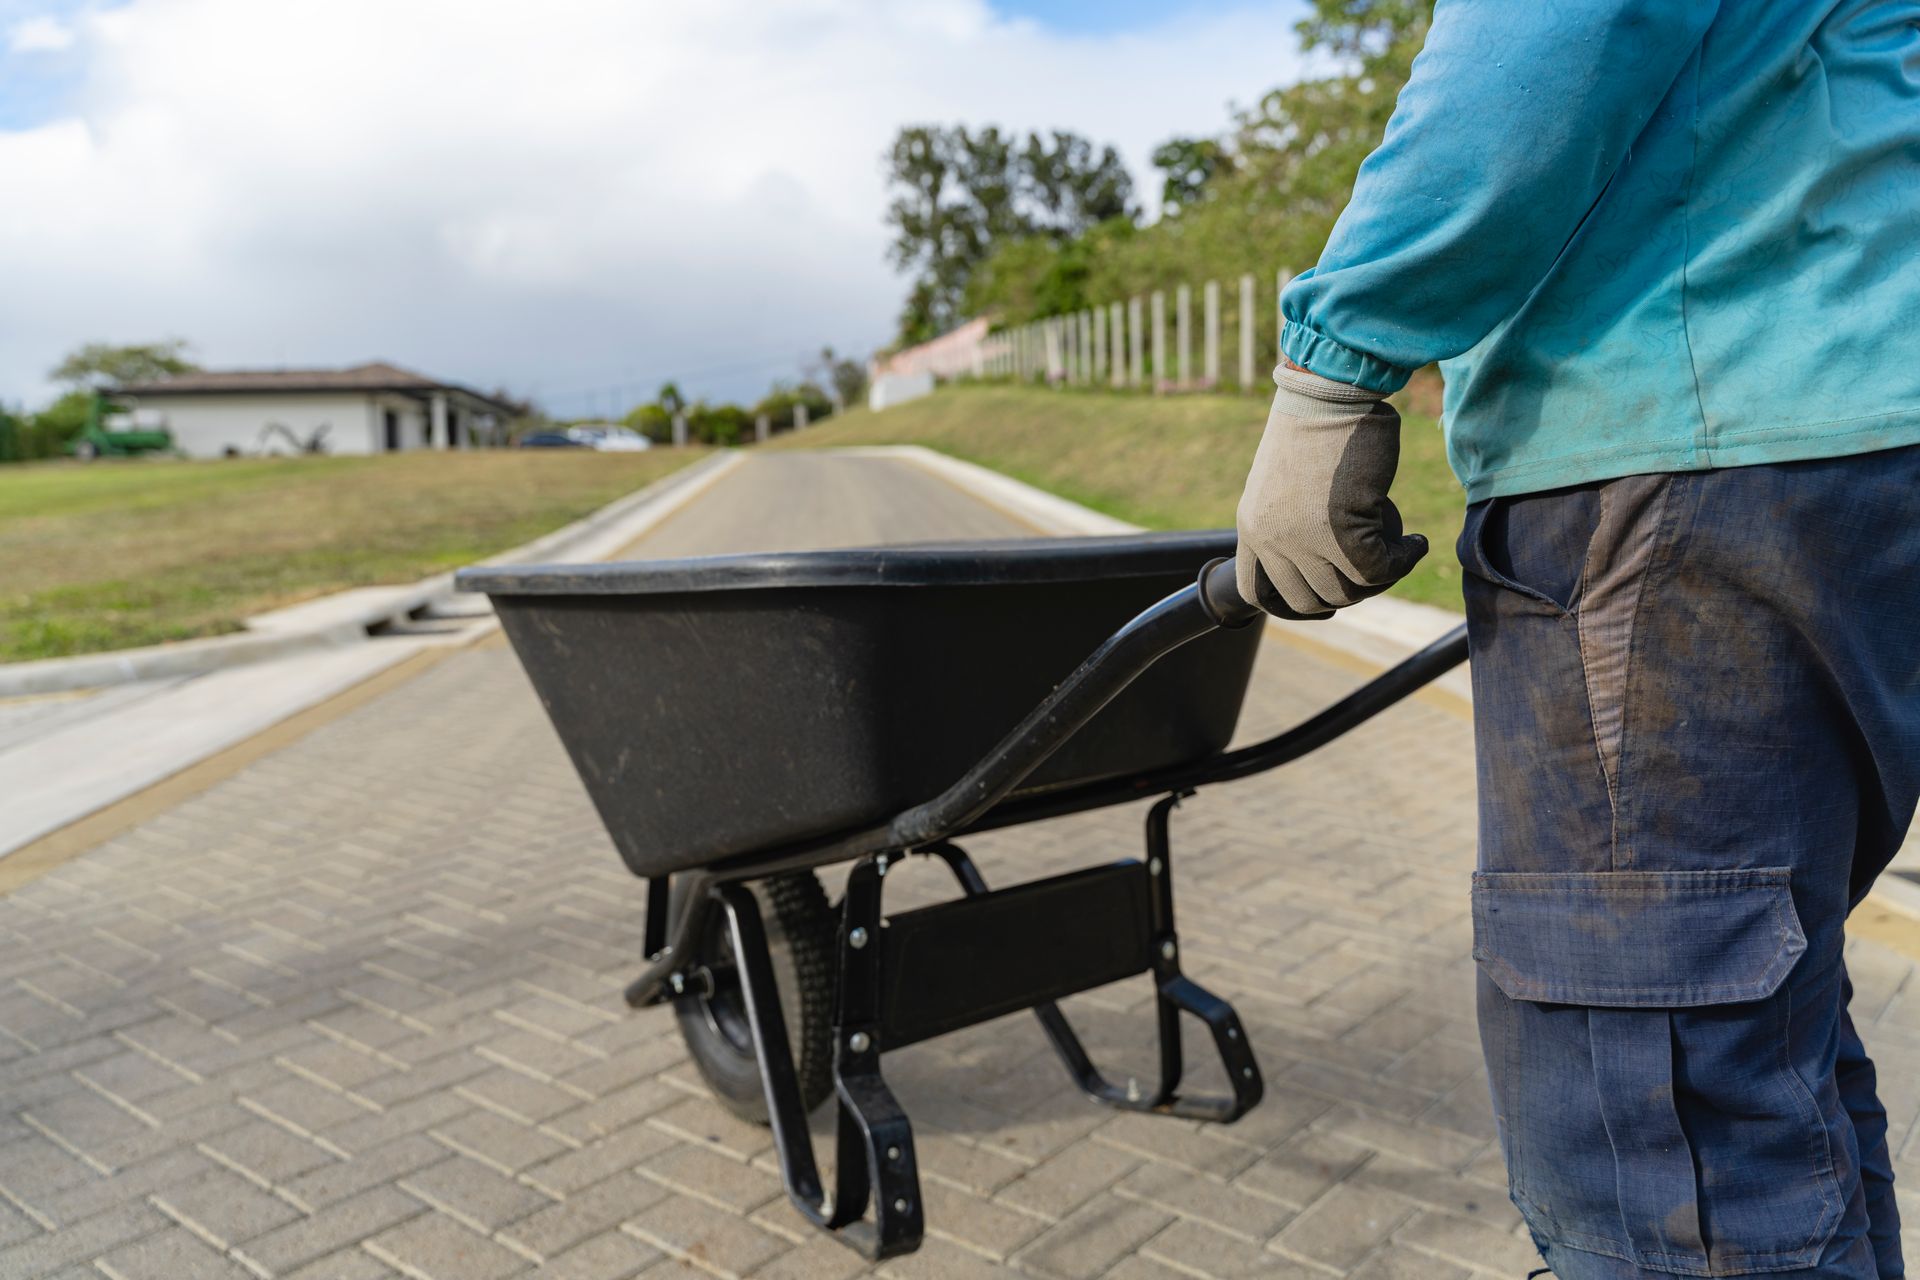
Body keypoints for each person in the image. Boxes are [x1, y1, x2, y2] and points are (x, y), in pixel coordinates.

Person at [1233, 3, 1920, 1277]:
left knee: (1658, 1128)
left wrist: (1336, 355)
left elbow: (1554, 29)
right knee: (1756, 1041)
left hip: (1683, 444)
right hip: (1852, 434)